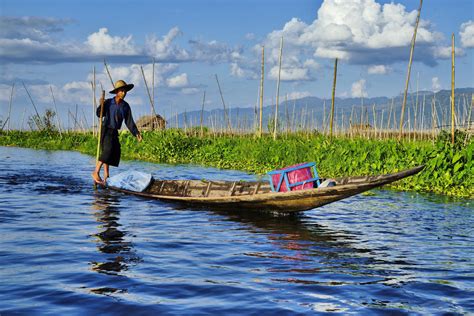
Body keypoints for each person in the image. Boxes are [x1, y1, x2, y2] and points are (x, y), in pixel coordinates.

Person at [92, 80, 142, 184]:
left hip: (114, 131)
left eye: (125, 91)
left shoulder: (125, 106)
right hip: (106, 129)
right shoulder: (109, 103)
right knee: (108, 150)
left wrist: (136, 133)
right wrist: (101, 105)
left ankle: (106, 175)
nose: (124, 93)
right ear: (117, 92)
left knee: (115, 151)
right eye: (122, 91)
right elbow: (98, 114)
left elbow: (129, 121)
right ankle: (96, 172)